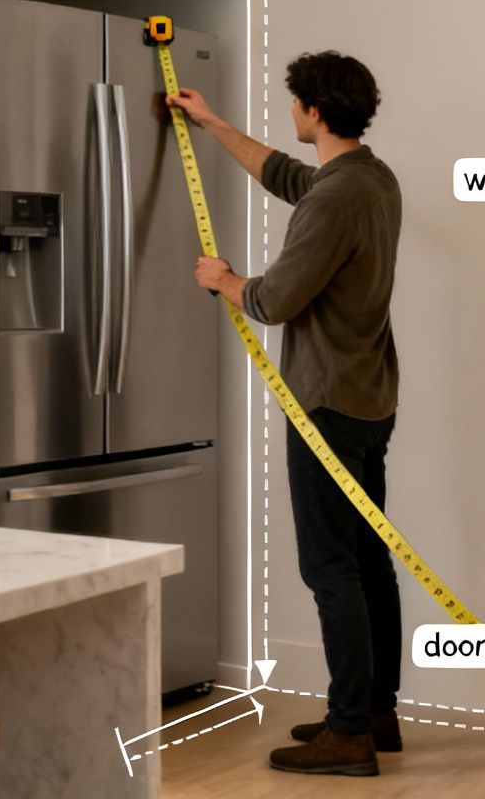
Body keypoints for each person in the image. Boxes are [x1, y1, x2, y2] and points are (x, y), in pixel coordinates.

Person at [165, 51, 403, 778]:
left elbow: (275, 300)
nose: (292, 113)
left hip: (327, 406)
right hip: (369, 399)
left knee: (331, 569)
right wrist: (211, 125)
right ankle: (373, 714)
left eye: (296, 102)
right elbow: (287, 177)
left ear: (316, 111)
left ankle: (348, 734)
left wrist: (225, 279)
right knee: (367, 562)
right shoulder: (368, 177)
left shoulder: (336, 200)